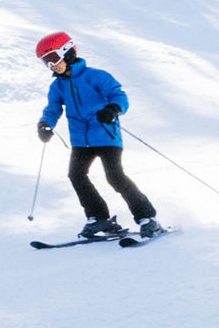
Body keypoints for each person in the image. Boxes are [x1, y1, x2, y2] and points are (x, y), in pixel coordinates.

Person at [34, 32, 166, 240]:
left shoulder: (95, 76)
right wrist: (45, 124)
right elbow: (53, 109)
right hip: (80, 140)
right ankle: (98, 217)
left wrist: (113, 109)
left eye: (53, 58)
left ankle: (147, 218)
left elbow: (119, 96)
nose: (52, 66)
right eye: (46, 62)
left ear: (67, 52)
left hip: (105, 135)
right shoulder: (57, 86)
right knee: (76, 176)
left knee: (115, 177)